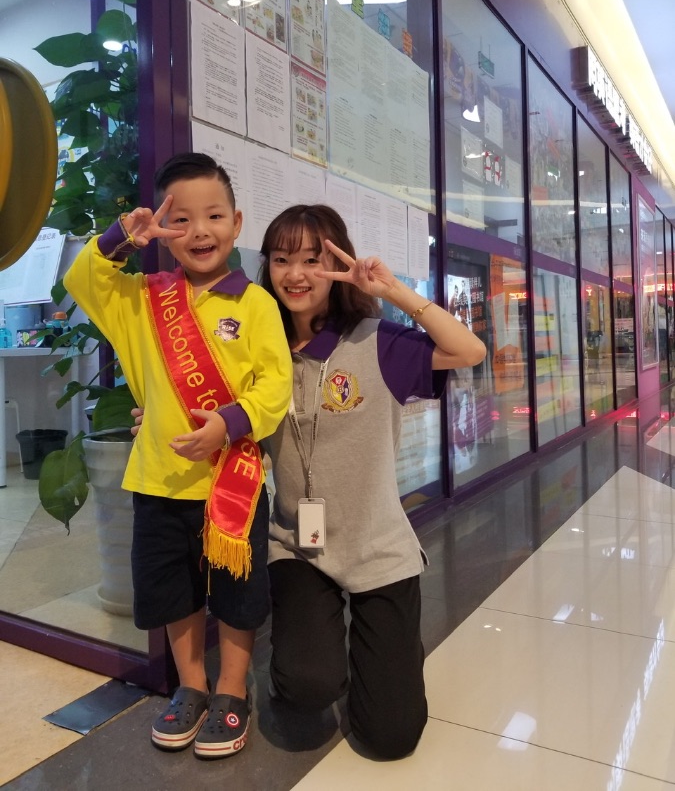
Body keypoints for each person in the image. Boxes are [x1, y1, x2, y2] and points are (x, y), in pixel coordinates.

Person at [63, 152, 292, 759]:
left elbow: (275, 385)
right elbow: (83, 280)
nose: (199, 231)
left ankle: (232, 690)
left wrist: (229, 424)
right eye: (181, 219)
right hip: (159, 480)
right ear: (163, 229)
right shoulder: (143, 298)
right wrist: (120, 237)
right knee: (173, 592)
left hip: (233, 483)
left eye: (214, 216)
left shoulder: (256, 304)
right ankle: (191, 687)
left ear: (236, 224)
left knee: (237, 595)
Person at [259, 204, 486, 759]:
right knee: (307, 685)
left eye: (312, 260)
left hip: (378, 545)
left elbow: (469, 350)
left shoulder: (375, 341)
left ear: (338, 266)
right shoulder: (259, 350)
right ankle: (313, 657)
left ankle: (391, 655)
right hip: (298, 546)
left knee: (391, 738)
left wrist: (393, 291)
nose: (296, 274)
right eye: (282, 260)